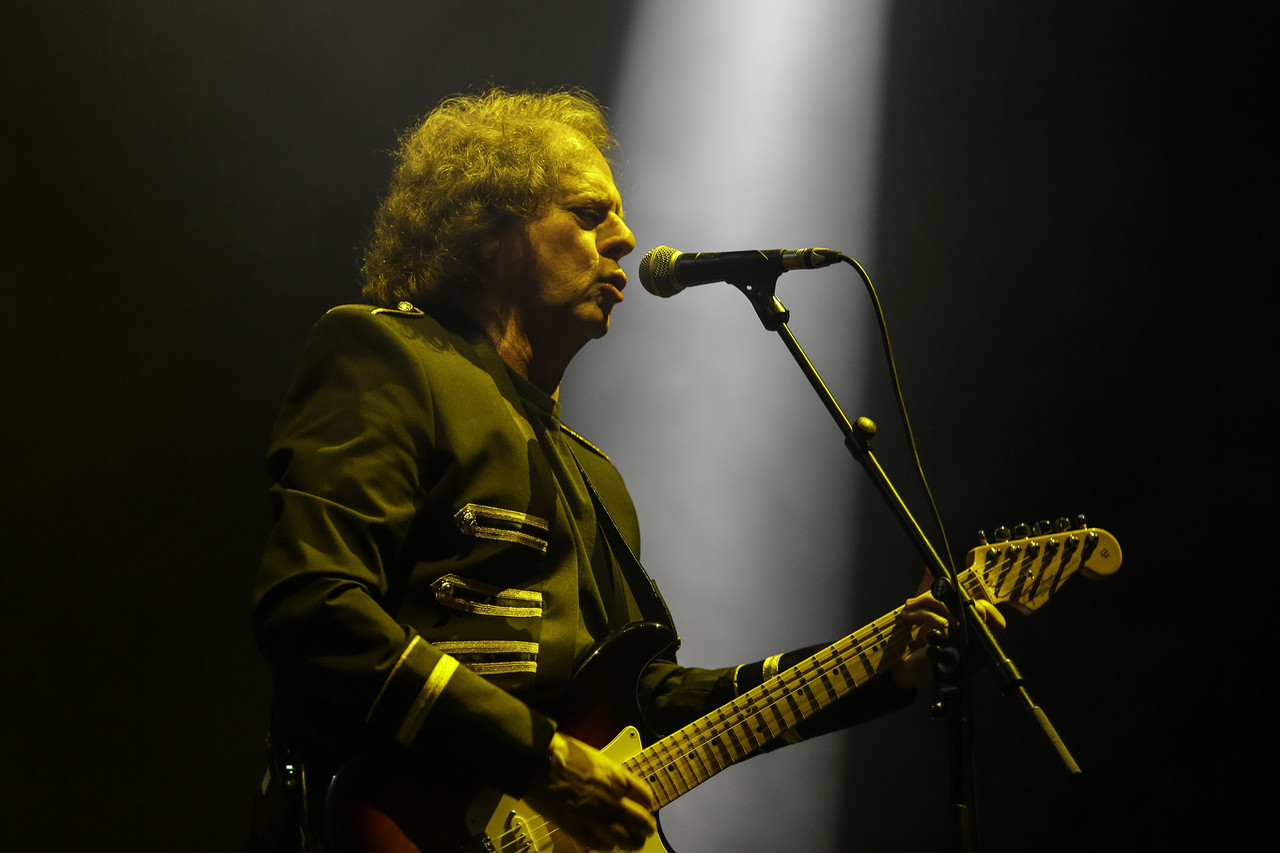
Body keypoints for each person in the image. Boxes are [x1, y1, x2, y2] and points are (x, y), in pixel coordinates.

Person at [250, 87, 996, 853]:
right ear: (490, 229)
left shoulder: (595, 478)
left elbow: (650, 706)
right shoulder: (387, 356)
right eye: (587, 213)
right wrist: (538, 761)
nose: (626, 238)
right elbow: (312, 607)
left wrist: (881, 665)